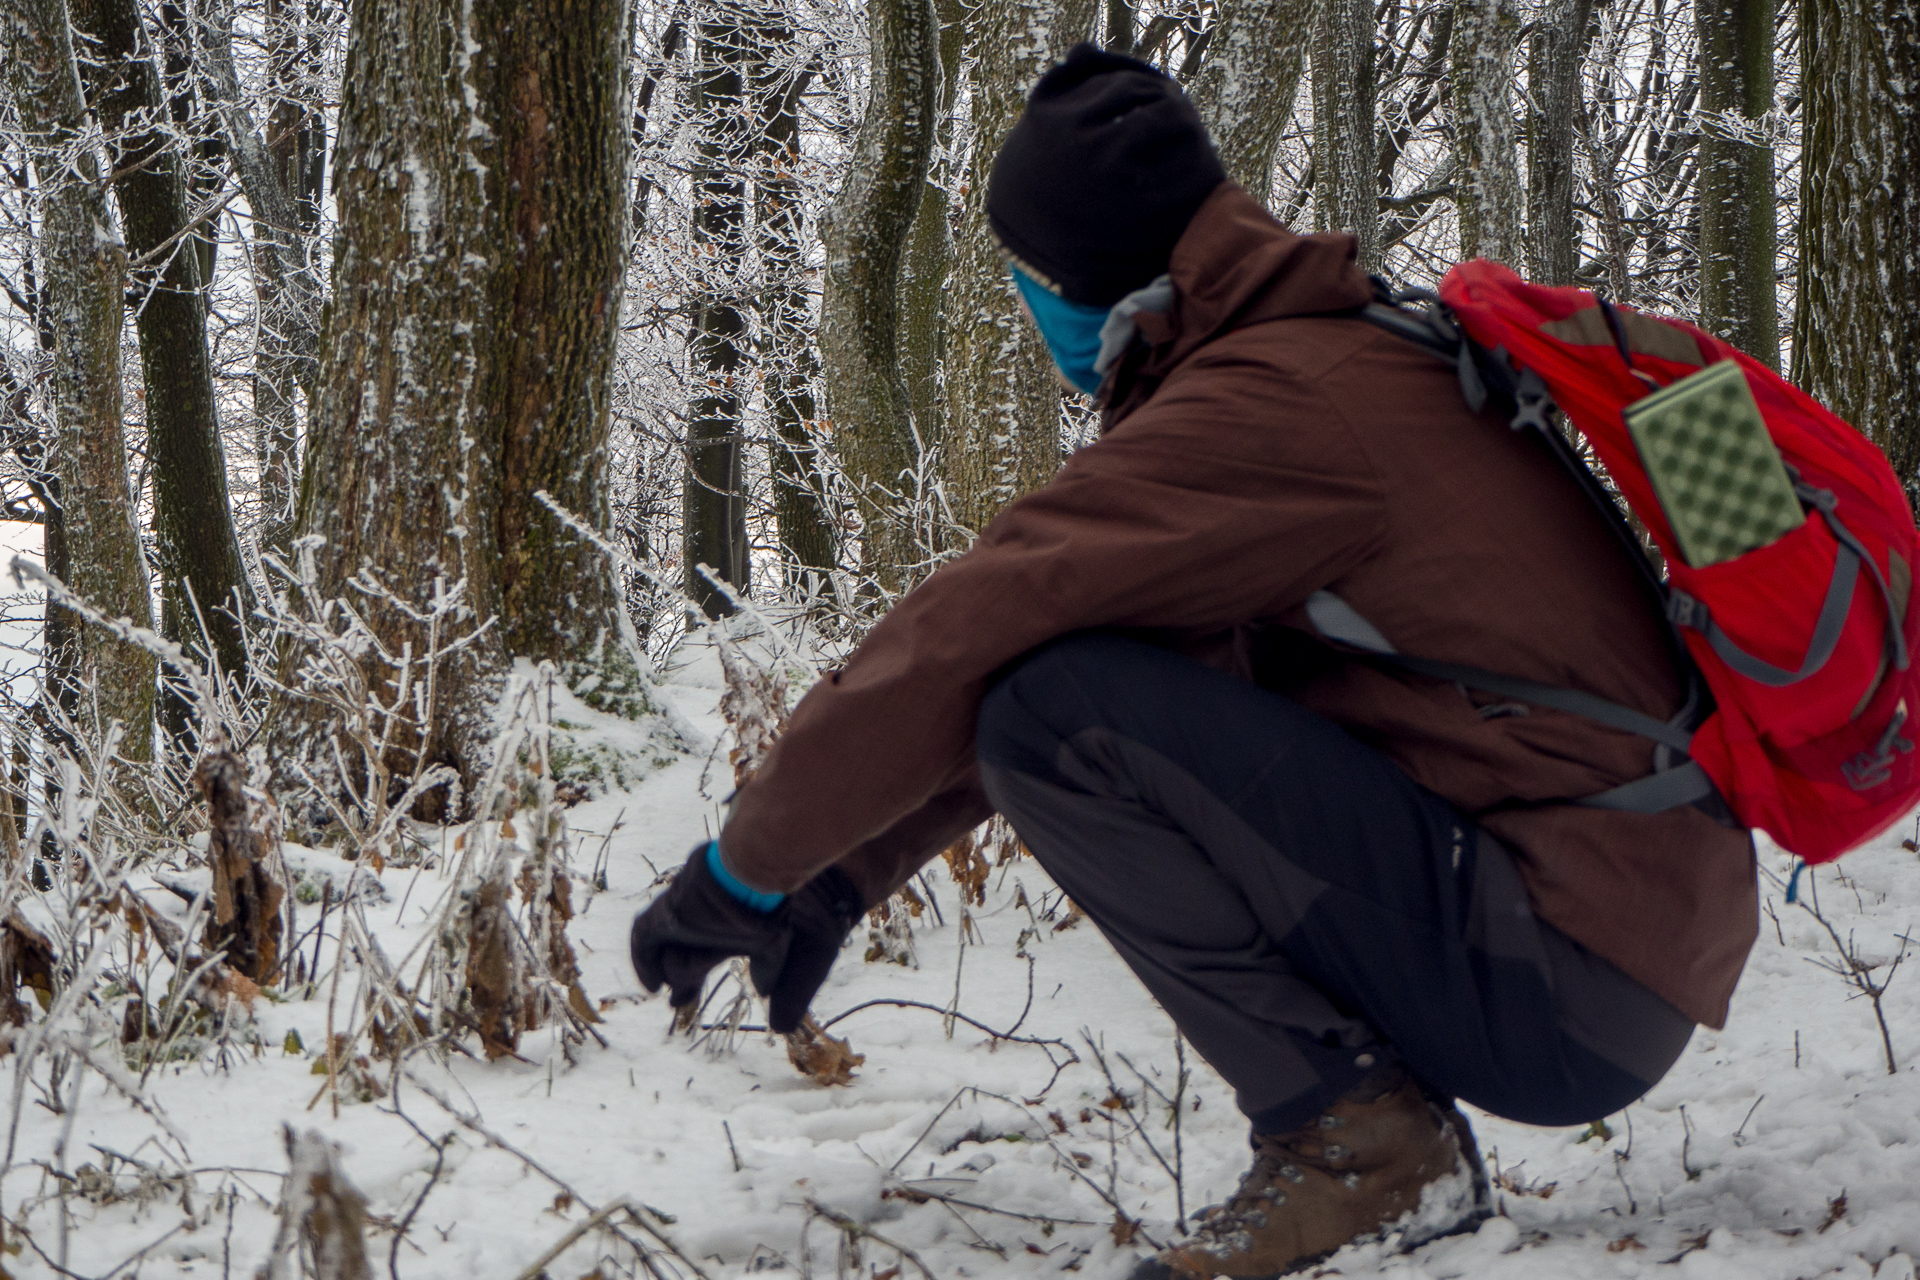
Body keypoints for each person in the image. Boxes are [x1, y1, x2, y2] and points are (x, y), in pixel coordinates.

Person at [630, 44, 1758, 1280]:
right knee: (1062, 694)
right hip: (1609, 938)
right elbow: (1075, 659)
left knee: (1051, 710)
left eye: (1024, 279)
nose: (1026, 305)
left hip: (1567, 973)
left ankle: (1365, 1145)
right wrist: (837, 878)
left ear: (1080, 277)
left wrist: (745, 869)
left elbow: (971, 633)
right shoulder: (1339, 344)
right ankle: (1365, 1128)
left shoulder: (1272, 408)